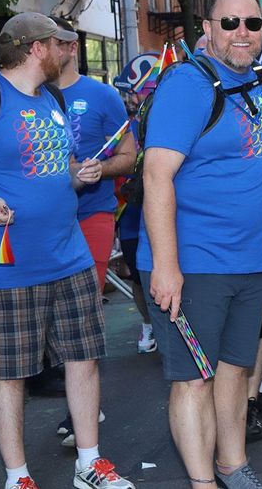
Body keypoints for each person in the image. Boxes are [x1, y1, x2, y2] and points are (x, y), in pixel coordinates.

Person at [0, 12, 133, 489]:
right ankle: (18, 477)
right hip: (4, 265)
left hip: (69, 256)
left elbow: (57, 168)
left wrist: (82, 174)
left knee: (83, 358)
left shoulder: (54, 98)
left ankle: (89, 463)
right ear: (37, 47)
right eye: (62, 44)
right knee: (10, 374)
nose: (68, 52)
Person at [139, 0, 262, 489]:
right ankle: (202, 482)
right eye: (229, 23)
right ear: (208, 29)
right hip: (196, 263)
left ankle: (233, 465)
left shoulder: (255, 85)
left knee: (235, 371)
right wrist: (165, 265)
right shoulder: (188, 84)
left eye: (251, 23)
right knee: (194, 379)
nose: (241, 33)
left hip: (249, 262)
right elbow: (156, 175)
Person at [53, 15, 136, 293]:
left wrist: (100, 169)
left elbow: (128, 156)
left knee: (87, 302)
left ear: (72, 47)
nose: (45, 49)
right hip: (42, 220)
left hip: (92, 214)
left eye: (54, 42)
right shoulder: (29, 96)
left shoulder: (102, 95)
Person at [111, 53, 162, 355]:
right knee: (140, 277)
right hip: (131, 215)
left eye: (132, 91)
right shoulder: (126, 127)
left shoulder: (171, 118)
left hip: (165, 213)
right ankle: (148, 322)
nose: (127, 97)